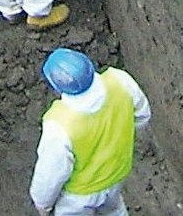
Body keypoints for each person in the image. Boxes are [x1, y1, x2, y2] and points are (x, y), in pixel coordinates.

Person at [30, 48, 151, 216]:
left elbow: (52, 172)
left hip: (79, 194)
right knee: (114, 209)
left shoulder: (60, 124)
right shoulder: (120, 81)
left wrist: (42, 202)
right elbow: (143, 115)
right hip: (116, 173)